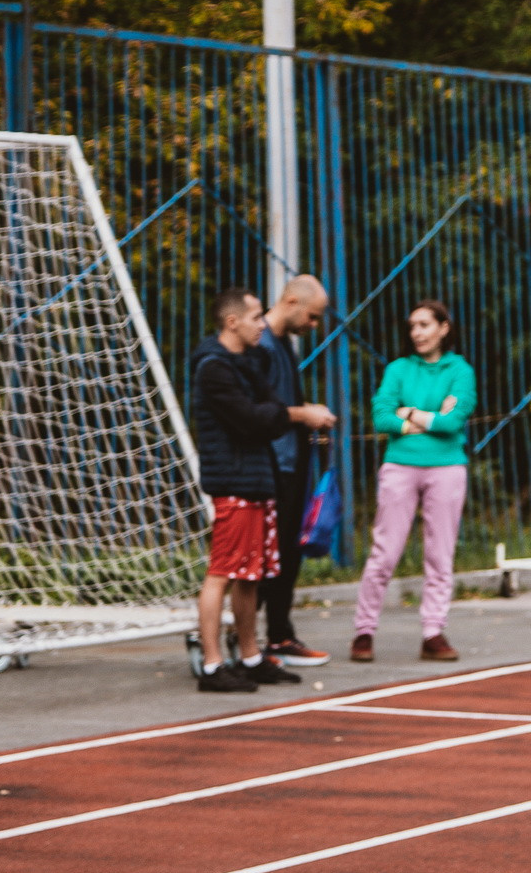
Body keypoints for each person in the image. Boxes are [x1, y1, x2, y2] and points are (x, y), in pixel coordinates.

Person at [190, 287, 336, 695]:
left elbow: (269, 409)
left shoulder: (251, 360)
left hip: (258, 479)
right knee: (222, 572)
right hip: (233, 481)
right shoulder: (214, 368)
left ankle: (251, 657)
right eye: (256, 317)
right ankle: (212, 664)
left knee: (251, 574)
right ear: (232, 322)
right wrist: (289, 416)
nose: (262, 324)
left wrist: (277, 415)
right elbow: (253, 419)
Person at [351, 298, 476, 664]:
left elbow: (453, 423)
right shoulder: (398, 370)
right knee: (385, 552)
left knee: (440, 554)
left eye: (424, 325)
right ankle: (364, 630)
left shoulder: (460, 371)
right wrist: (422, 420)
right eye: (412, 326)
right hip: (400, 466)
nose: (417, 333)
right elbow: (381, 416)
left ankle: (433, 632)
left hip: (447, 468)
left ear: (443, 328)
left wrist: (407, 413)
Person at [258, 273, 339, 667]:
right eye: (312, 316)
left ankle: (279, 635)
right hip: (272, 467)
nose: (314, 325)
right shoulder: (261, 345)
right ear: (291, 302)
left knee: (287, 555)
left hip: (290, 465)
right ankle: (245, 640)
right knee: (263, 558)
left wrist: (307, 413)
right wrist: (304, 415)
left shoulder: (283, 344)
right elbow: (259, 411)